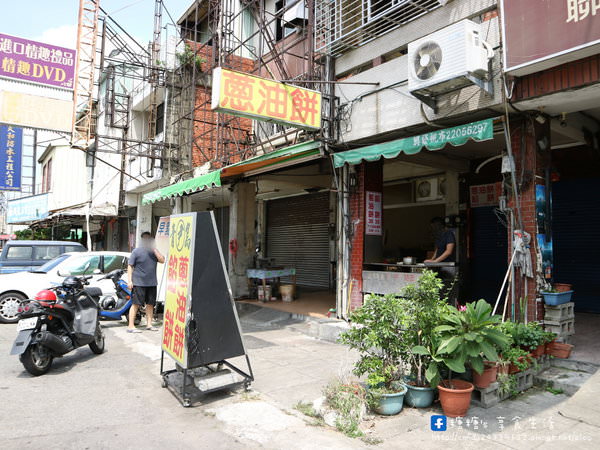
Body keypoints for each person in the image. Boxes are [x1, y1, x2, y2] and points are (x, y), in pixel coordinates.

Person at [127, 231, 165, 333]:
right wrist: (130, 281)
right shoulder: (136, 251)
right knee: (136, 304)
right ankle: (130, 326)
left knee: (150, 304)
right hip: (139, 283)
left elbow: (162, 260)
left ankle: (149, 324)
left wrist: (154, 249)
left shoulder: (154, 252)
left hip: (152, 283)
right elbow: (130, 266)